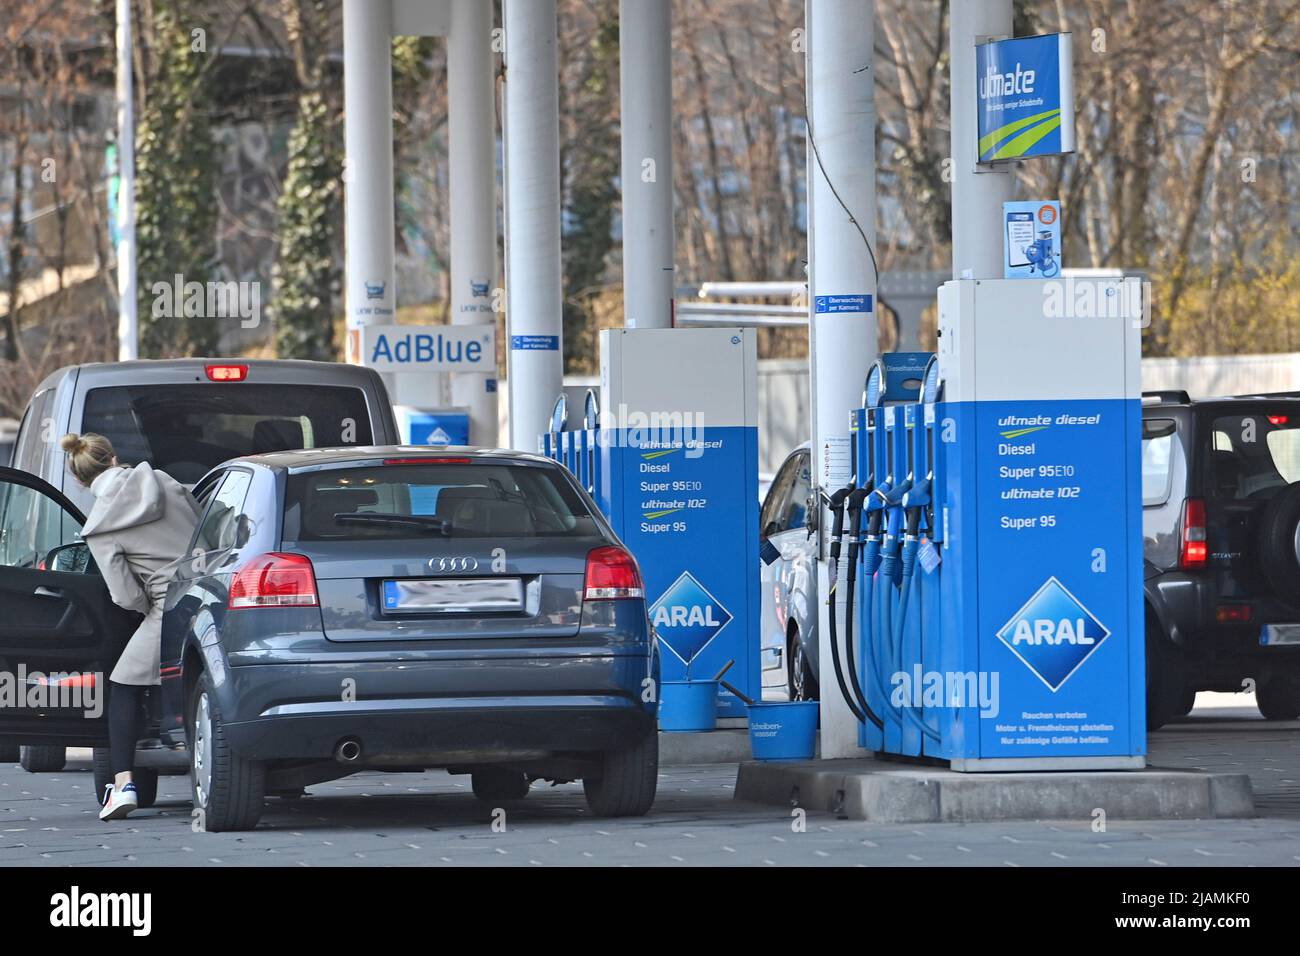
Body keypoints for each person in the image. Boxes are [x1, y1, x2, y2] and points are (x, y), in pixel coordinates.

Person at [60, 433, 201, 821]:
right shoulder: (164, 481)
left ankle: (123, 785)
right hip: (212, 594)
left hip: (168, 607)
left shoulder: (100, 526)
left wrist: (149, 607)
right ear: (114, 458)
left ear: (80, 481)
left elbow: (124, 596)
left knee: (123, 684)